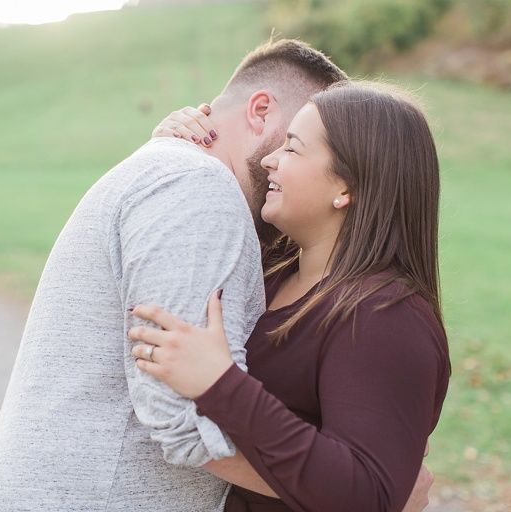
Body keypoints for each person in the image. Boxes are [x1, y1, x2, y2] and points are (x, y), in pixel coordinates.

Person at [0, 39, 350, 511]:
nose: (284, 164)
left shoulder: (173, 173)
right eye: (294, 143)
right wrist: (360, 493)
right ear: (260, 111)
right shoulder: (199, 188)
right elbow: (189, 421)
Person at [128, 82, 451, 511]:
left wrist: (220, 384)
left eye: (293, 149)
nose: (270, 159)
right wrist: (168, 150)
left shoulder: (385, 316)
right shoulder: (273, 270)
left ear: (347, 186)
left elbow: (368, 495)